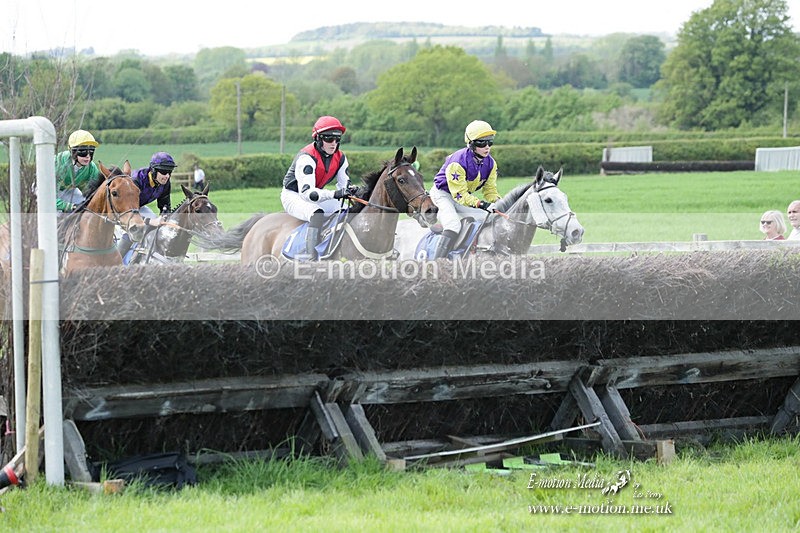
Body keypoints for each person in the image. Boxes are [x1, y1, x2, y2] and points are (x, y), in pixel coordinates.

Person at [280, 115, 357, 259]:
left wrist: (353, 190)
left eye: (337, 139)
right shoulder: (306, 158)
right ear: (318, 139)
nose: (333, 143)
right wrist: (335, 194)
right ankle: (311, 258)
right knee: (317, 214)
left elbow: (344, 185)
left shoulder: (340, 158)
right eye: (329, 139)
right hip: (294, 196)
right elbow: (308, 194)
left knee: (346, 212)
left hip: (317, 193)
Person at [428, 120, 502, 259]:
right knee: (453, 225)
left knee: (491, 219)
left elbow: (490, 191)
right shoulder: (458, 162)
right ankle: (437, 264)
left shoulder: (491, 163)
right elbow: (460, 195)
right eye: (482, 143)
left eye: (490, 142)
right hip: (442, 195)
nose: (487, 147)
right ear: (471, 144)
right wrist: (481, 204)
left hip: (462, 198)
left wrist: (501, 204)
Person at [116, 152, 176, 257]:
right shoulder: (136, 180)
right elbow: (128, 212)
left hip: (138, 207)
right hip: (122, 210)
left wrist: (164, 217)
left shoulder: (165, 183)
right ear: (153, 170)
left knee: (157, 224)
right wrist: (150, 221)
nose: (167, 176)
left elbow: (165, 205)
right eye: (163, 171)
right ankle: (116, 260)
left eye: (169, 172)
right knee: (136, 228)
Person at [54, 130, 102, 212]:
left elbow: (96, 192)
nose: (88, 156)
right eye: (83, 152)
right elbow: (49, 198)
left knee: (85, 205)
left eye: (91, 152)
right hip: (45, 190)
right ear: (72, 151)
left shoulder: (92, 168)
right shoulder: (58, 164)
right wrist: (70, 206)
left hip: (68, 190)